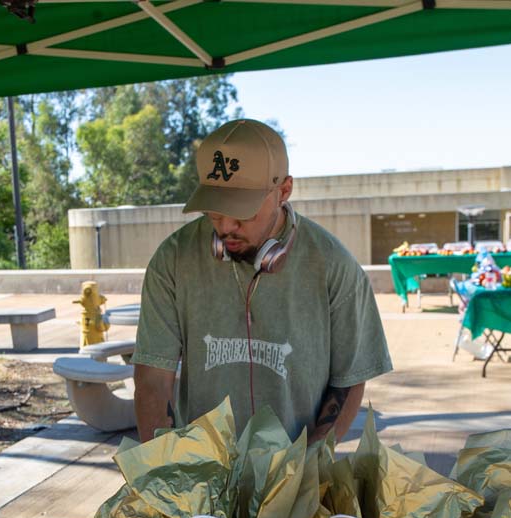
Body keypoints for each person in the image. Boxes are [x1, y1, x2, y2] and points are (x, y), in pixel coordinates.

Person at [132, 119, 391, 443]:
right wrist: (162, 464)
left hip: (297, 462)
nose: (225, 227)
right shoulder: (172, 260)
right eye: (214, 212)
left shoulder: (334, 266)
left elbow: (348, 381)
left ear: (284, 191)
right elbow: (153, 381)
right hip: (198, 466)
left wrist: (307, 462)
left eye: (243, 213)